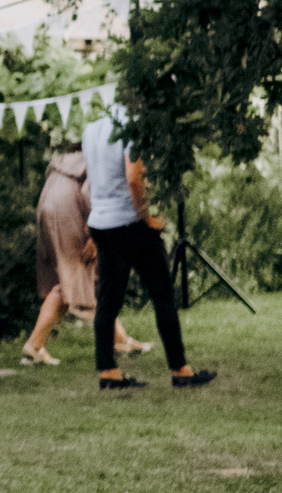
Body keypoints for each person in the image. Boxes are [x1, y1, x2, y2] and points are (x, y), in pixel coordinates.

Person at [84, 106, 215, 390]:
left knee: (107, 300)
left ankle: (107, 371)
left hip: (101, 223)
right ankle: (180, 369)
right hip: (130, 224)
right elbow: (134, 177)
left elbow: (93, 181)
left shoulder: (90, 130)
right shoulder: (132, 128)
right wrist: (146, 216)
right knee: (162, 295)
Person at [22, 146, 151, 364]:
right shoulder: (101, 156)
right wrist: (93, 233)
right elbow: (90, 191)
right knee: (75, 277)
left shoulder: (67, 160)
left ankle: (118, 339)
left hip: (47, 205)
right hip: (68, 209)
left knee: (73, 278)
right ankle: (34, 345)